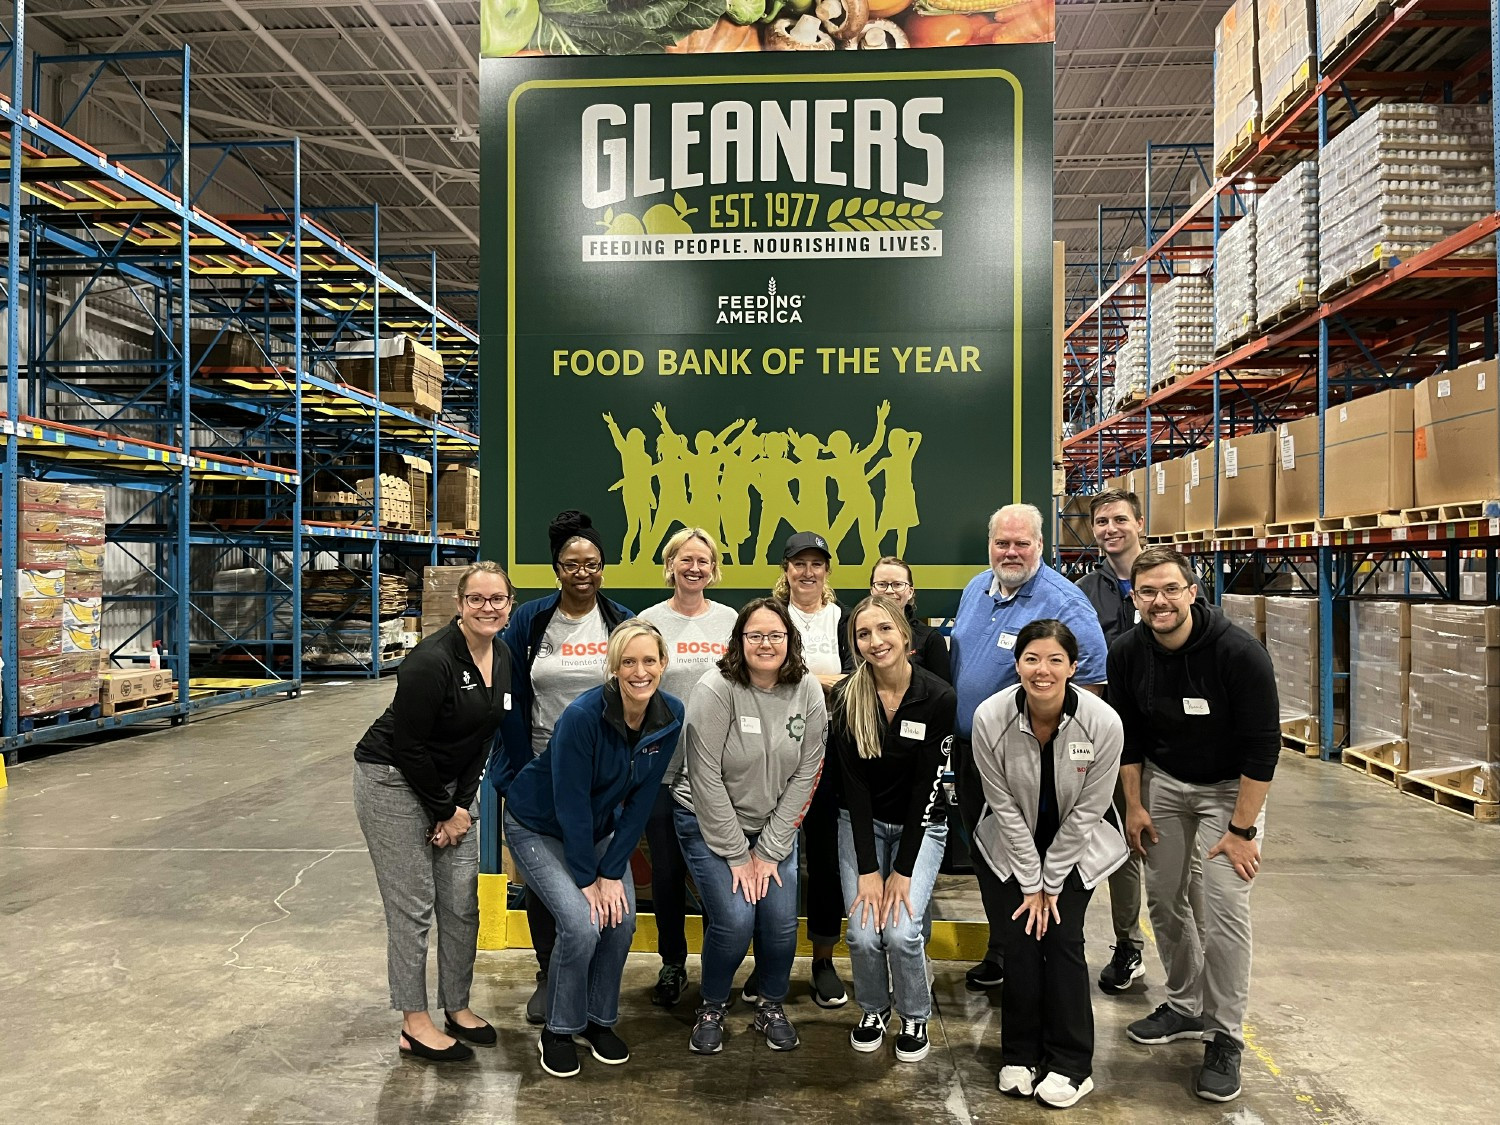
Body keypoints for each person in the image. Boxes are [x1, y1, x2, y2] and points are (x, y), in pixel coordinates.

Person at [1108, 546, 1280, 1104]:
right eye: (1148, 592)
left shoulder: (1239, 653)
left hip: (1230, 792)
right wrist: (1134, 805)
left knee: (1225, 909)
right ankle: (1184, 1005)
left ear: (1192, 591)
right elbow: (1128, 735)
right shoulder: (1128, 652)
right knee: (1162, 899)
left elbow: (1263, 749)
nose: (1160, 601)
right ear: (1135, 598)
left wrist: (1243, 830)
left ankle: (1225, 1034)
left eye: (1170, 590)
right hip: (1163, 784)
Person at [503, 621, 685, 1078]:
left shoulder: (670, 715)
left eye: (649, 661)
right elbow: (570, 805)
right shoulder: (584, 716)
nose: (639, 671)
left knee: (620, 920)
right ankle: (558, 1030)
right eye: (628, 662)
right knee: (582, 925)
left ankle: (599, 1022)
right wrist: (589, 878)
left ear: (663, 664)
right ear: (613, 667)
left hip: (601, 826)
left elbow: (641, 801)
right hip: (536, 824)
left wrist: (612, 870)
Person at [351, 560, 515, 1062]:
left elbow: (484, 738)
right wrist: (445, 811)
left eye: (497, 599)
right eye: (476, 599)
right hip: (391, 782)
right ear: (460, 606)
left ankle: (457, 1006)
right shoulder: (430, 661)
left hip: (448, 792)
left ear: (510, 606)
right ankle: (413, 1022)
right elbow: (408, 747)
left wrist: (461, 806)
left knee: (461, 903)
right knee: (414, 908)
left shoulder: (503, 655)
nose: (487, 608)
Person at [949, 504, 1108, 992]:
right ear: (990, 545)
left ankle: (1032, 960)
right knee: (988, 854)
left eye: (1022, 543)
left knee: (1028, 856)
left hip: (1028, 761)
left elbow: (1093, 687)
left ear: (1040, 545)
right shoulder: (977, 588)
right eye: (1003, 543)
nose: (1011, 552)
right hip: (972, 755)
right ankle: (1003, 949)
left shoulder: (1064, 603)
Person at [971, 620, 1127, 1109]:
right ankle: (1018, 1054)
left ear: (1074, 667)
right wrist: (1029, 879)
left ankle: (1071, 1064)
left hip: (1076, 847)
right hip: (1009, 842)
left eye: (1055, 660)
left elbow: (1089, 810)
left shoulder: (1103, 723)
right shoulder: (989, 718)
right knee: (1017, 939)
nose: (1043, 670)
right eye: (1032, 659)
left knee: (1062, 939)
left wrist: (1051, 881)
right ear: (1017, 665)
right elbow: (1002, 806)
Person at [672, 598, 828, 1054]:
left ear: (789, 640)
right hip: (707, 819)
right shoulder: (716, 688)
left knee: (780, 924)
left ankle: (769, 1005)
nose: (766, 643)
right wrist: (740, 855)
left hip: (774, 825)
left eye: (775, 635)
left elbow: (808, 771)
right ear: (739, 641)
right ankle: (712, 1005)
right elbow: (703, 776)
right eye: (755, 635)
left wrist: (769, 850)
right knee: (736, 920)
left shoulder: (808, 691)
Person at [498, 510, 634, 1026]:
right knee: (544, 881)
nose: (583, 573)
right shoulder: (530, 622)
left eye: (592, 564)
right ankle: (547, 973)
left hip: (601, 775)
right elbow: (509, 696)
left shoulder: (619, 621)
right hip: (540, 767)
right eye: (572, 564)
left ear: (603, 568)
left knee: (595, 876)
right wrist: (511, 770)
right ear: (557, 568)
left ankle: (590, 977)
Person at [831, 595, 954, 1063]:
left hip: (920, 827)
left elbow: (928, 787)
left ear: (905, 635)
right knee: (864, 932)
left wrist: (901, 871)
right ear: (855, 643)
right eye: (864, 633)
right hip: (859, 824)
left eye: (884, 629)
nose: (875, 641)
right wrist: (868, 869)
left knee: (901, 931)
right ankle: (874, 1008)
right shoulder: (847, 696)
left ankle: (915, 1013)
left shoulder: (938, 696)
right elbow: (854, 789)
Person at [637, 527, 739, 1008]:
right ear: (670, 565)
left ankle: (723, 969)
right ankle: (672, 963)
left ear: (713, 569)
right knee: (668, 872)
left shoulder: (730, 621)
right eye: (685, 559)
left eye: (703, 561)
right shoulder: (650, 621)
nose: (694, 568)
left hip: (721, 770)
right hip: (663, 766)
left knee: (722, 874)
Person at [771, 530, 853, 1007]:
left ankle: (823, 960)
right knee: (776, 860)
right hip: (775, 756)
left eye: (816, 564)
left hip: (830, 756)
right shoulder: (771, 616)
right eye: (798, 564)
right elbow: (762, 671)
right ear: (786, 570)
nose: (807, 572)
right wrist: (823, 682)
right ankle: (770, 960)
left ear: (826, 570)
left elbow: (859, 680)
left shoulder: (845, 620)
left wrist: (805, 679)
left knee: (824, 862)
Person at [1073, 489, 1149, 994]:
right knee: (1091, 833)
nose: (1109, 529)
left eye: (1119, 519)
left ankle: (1129, 945)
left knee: (1133, 846)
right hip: (1099, 737)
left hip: (1154, 738)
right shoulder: (1085, 590)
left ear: (1140, 522)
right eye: (1101, 521)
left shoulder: (1169, 580)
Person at [869, 555, 952, 682]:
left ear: (910, 592)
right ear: (872, 590)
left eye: (898, 584)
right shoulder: (856, 634)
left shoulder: (930, 639)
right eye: (881, 584)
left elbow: (944, 695)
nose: (890, 591)